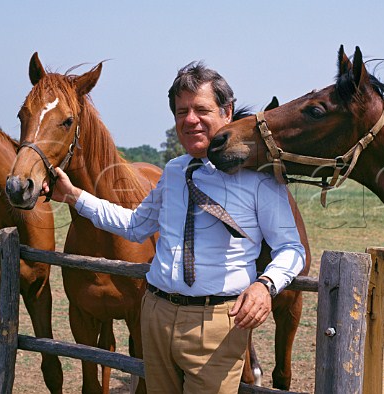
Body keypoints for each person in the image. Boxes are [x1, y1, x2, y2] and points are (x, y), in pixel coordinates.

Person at [43, 61, 305, 394]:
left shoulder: (256, 178)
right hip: (156, 317)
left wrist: (265, 284)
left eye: (201, 110)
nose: (191, 120)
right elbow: (136, 225)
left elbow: (291, 249)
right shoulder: (174, 171)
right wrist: (75, 196)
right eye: (182, 112)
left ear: (227, 112)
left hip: (216, 325)